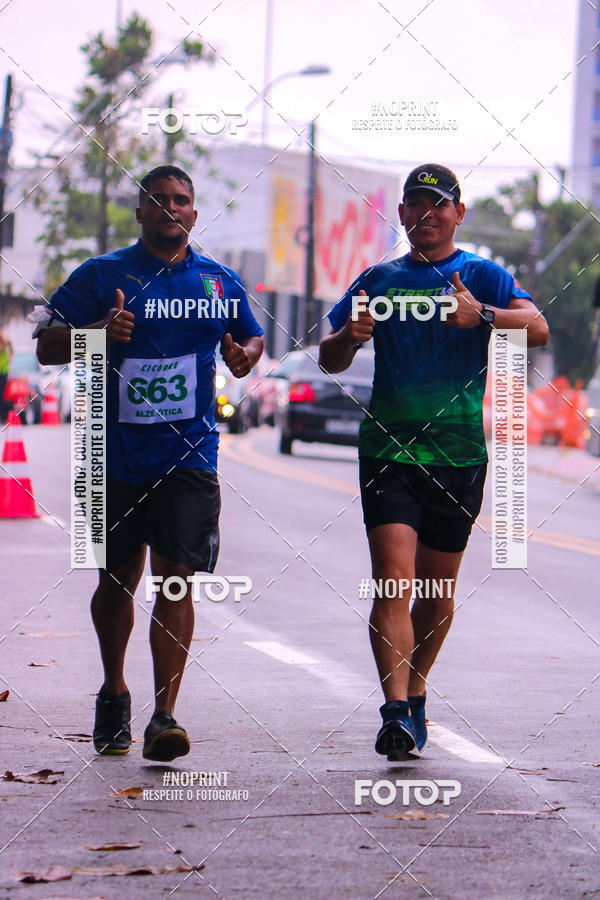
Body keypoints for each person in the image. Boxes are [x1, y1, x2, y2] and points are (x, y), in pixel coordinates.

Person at [319, 163, 549, 760]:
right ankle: (394, 710)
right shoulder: (378, 277)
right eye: (415, 204)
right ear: (400, 214)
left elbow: (539, 328)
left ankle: (416, 689)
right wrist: (350, 337)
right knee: (393, 582)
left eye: (438, 204)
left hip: (459, 453)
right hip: (389, 450)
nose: (426, 214)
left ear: (457, 213)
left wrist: (486, 317)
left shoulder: (480, 275)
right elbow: (329, 356)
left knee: (436, 590)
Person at [36, 165, 264, 761]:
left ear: (194, 213)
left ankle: (165, 715)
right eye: (158, 200)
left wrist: (244, 356)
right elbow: (46, 345)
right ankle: (114, 690)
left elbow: (250, 338)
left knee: (175, 578)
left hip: (190, 453)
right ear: (139, 211)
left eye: (181, 200)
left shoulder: (217, 281)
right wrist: (97, 333)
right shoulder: (101, 275)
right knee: (115, 581)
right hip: (111, 455)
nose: (170, 208)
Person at [0, 329, 13, 422]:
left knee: (1, 394)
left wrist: (10, 359)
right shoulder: (5, 342)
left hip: (3, 370)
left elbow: (12, 350)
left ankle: (3, 416)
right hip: (3, 370)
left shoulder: (5, 342)